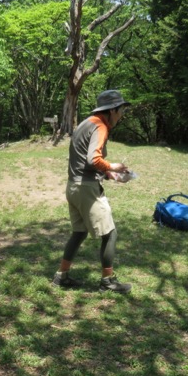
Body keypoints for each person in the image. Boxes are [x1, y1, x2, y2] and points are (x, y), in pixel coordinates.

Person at [52, 90, 133, 293]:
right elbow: (93, 159)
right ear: (112, 110)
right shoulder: (100, 126)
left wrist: (108, 174)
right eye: (121, 110)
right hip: (86, 188)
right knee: (110, 234)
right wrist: (113, 167)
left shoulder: (85, 123)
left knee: (79, 233)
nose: (121, 115)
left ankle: (61, 276)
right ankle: (107, 281)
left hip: (73, 186)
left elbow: (82, 160)